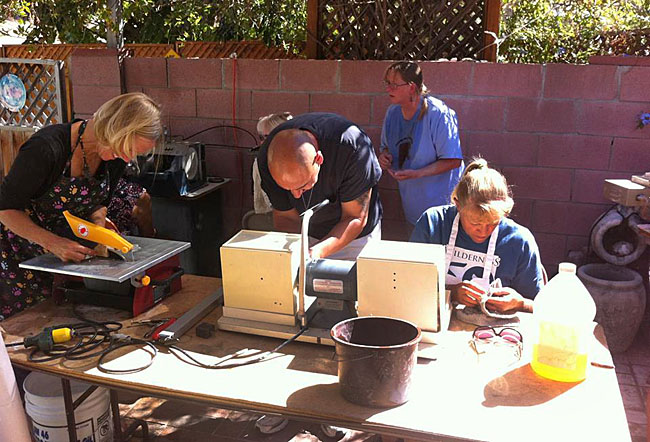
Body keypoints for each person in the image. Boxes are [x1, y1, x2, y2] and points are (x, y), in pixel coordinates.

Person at [0, 92, 162, 320]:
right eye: (128, 149)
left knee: (66, 318)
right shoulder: (46, 148)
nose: (127, 160)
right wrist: (53, 243)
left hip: (65, 256)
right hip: (20, 253)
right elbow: (6, 209)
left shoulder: (114, 159)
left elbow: (99, 203)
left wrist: (98, 228)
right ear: (114, 129)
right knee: (25, 325)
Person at [410, 158, 545, 314]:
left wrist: (520, 304)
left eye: (493, 223)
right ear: (457, 204)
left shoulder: (520, 241)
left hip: (495, 335)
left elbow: (540, 307)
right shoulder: (433, 223)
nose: (483, 231)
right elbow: (409, 285)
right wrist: (451, 292)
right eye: (475, 223)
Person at [257, 112, 382, 260]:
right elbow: (286, 217)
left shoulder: (352, 149)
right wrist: (300, 251)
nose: (296, 195)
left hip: (355, 239)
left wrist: (315, 253)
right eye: (287, 188)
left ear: (319, 159)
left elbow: (355, 218)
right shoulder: (268, 156)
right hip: (308, 233)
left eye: (302, 186)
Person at [378, 61, 464, 226]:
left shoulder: (439, 113)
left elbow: (453, 160)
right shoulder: (392, 113)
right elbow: (386, 148)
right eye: (387, 83)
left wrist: (417, 173)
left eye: (394, 85)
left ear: (411, 87)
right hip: (412, 206)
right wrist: (384, 158)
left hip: (443, 210)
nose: (388, 89)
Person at [252, 112, 293, 215]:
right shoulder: (261, 163)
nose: (263, 142)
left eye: (268, 137)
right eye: (261, 137)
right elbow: (270, 205)